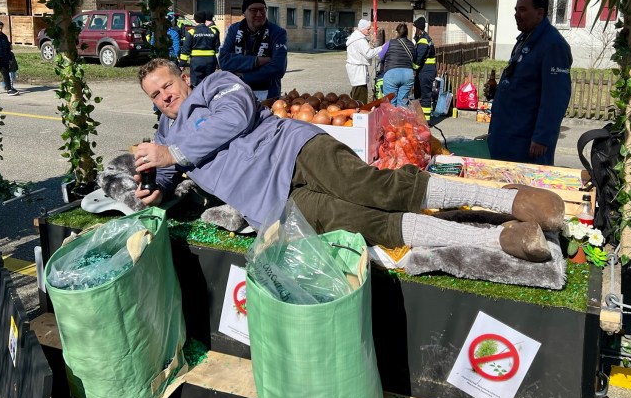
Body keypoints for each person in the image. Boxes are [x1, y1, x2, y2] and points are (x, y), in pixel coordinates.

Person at [133, 59, 567, 262]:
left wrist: (174, 154)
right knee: (367, 224)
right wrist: (157, 187)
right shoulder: (165, 137)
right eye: (155, 95)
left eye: (167, 85)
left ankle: (510, 201)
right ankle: (496, 241)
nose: (165, 96)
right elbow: (165, 173)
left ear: (184, 78)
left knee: (377, 188)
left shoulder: (217, 85)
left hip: (294, 150)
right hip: (274, 204)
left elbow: (235, 116)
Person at [487, 0, 573, 165]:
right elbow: (524, 83)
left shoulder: (553, 45)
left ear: (540, 13)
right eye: (516, 10)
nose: (516, 15)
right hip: (507, 136)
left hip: (525, 142)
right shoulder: (527, 38)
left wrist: (542, 137)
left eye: (523, 10)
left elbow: (555, 97)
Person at [218, 0, 287, 100]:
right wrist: (257, 61)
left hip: (268, 95)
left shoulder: (277, 33)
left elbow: (278, 67)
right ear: (244, 13)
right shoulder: (233, 30)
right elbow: (223, 60)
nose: (259, 14)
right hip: (237, 92)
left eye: (262, 9)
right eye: (253, 10)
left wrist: (243, 76)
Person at [345, 19, 386, 104]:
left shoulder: (357, 37)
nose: (369, 31)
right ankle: (359, 109)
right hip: (358, 69)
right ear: (362, 28)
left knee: (357, 91)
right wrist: (381, 48)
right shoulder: (359, 40)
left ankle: (356, 107)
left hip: (356, 67)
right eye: (368, 29)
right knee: (360, 94)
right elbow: (369, 54)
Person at [380, 23, 416, 107]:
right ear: (407, 33)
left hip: (392, 74)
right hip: (408, 75)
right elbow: (414, 59)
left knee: (390, 102)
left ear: (397, 32)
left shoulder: (390, 43)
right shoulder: (411, 44)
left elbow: (381, 56)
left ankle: (392, 115)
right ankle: (401, 115)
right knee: (403, 103)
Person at [412, 17, 436, 117]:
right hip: (425, 71)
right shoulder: (424, 38)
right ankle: (420, 118)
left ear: (418, 28)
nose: (413, 30)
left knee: (425, 96)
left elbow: (419, 58)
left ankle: (425, 120)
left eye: (414, 28)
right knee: (419, 95)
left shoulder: (423, 40)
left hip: (425, 72)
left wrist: (413, 68)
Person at [187, 10, 219, 86]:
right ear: (205, 20)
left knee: (196, 83)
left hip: (196, 61)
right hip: (210, 61)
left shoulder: (191, 32)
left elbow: (186, 49)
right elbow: (217, 48)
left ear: (195, 20)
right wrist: (218, 62)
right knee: (209, 82)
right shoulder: (213, 31)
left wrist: (182, 63)